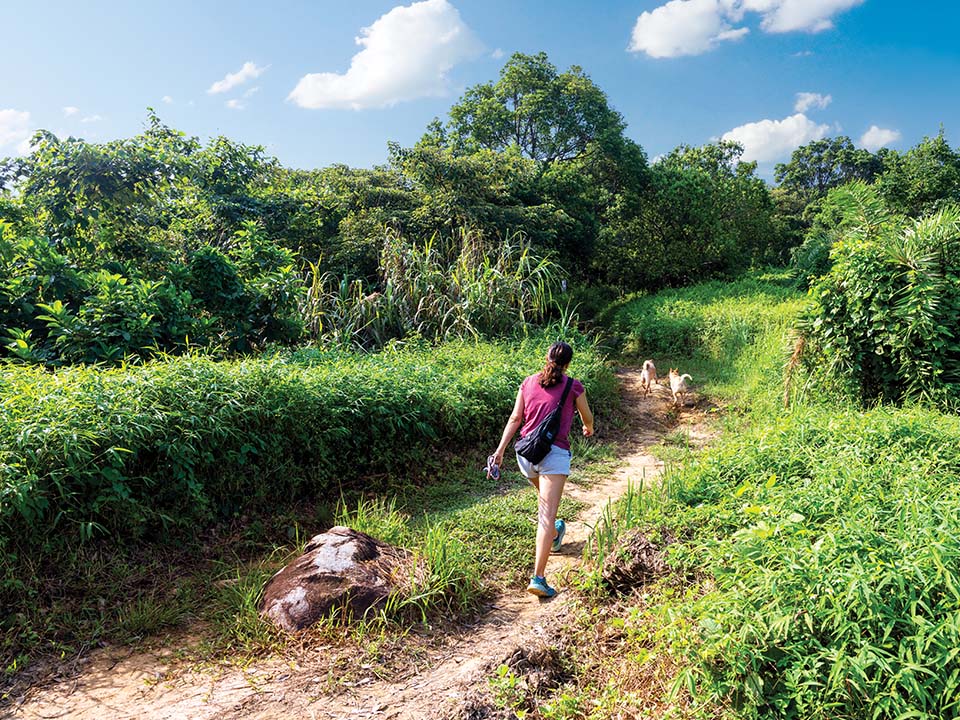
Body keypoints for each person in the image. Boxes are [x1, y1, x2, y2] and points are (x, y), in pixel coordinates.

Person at [492, 341, 594, 598]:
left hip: (525, 455)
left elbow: (515, 418)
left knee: (548, 508)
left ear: (547, 358)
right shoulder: (574, 386)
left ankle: (557, 529)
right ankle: (538, 578)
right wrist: (588, 427)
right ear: (568, 363)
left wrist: (500, 450)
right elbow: (587, 416)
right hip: (554, 456)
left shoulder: (528, 382)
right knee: (545, 516)